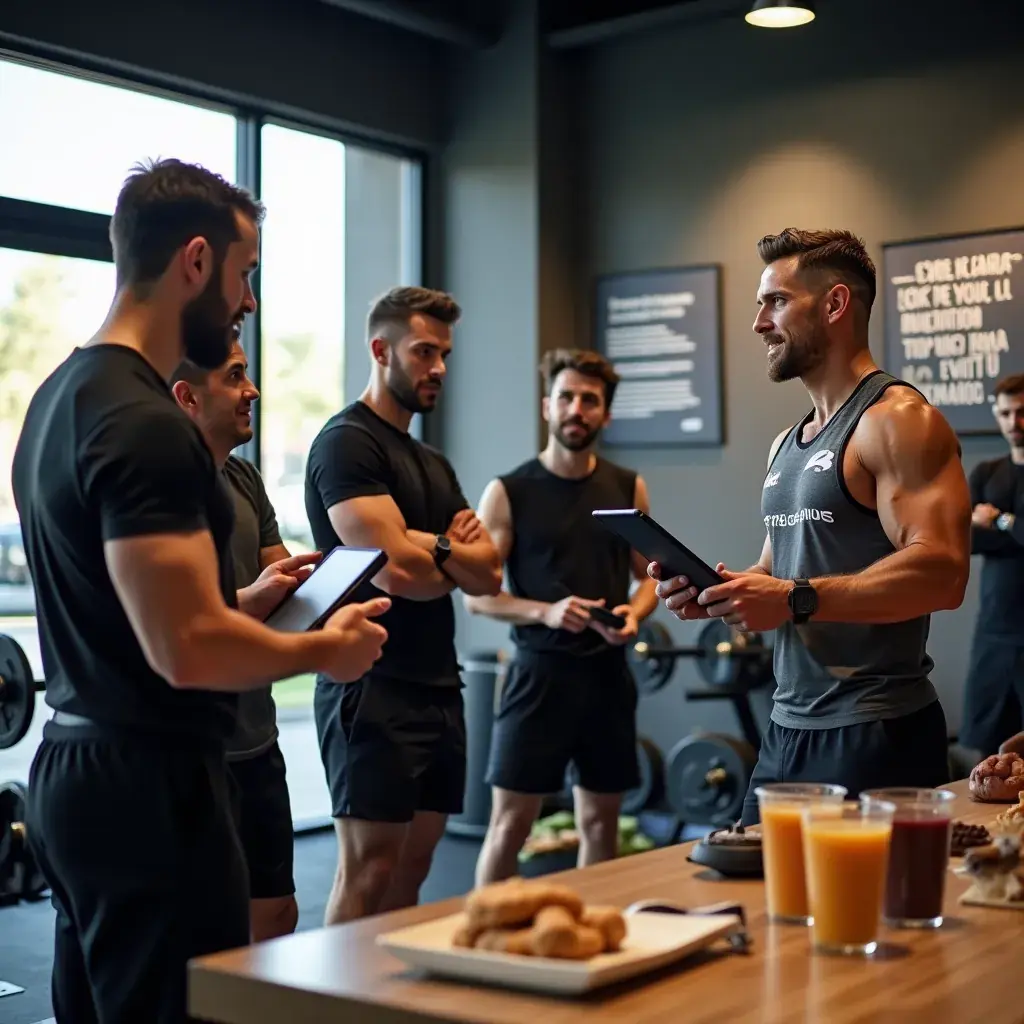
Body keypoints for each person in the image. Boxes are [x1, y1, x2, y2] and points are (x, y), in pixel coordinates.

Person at [12, 158, 390, 1024]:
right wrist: (324, 651)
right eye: (243, 273)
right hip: (151, 788)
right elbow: (186, 652)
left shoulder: (57, 397)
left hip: (72, 772)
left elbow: (135, 617)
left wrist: (245, 608)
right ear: (194, 262)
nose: (247, 301)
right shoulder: (149, 422)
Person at [650, 228, 971, 825]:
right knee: (755, 902)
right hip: (787, 729)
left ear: (835, 304)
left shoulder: (898, 420)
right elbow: (779, 572)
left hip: (877, 728)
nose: (758, 323)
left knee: (865, 919)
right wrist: (721, 592)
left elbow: (943, 572)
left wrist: (794, 598)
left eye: (775, 301)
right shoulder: (786, 444)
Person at [305, 285, 502, 924]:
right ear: (379, 349)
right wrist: (445, 548)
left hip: (438, 685)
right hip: (372, 683)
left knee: (414, 870)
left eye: (443, 354)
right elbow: (394, 572)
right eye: (423, 352)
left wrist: (426, 545)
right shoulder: (346, 444)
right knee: (370, 869)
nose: (438, 367)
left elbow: (490, 573)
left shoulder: (432, 463)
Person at [465, 348, 658, 885]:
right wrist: (546, 612)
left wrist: (634, 612)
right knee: (510, 825)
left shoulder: (627, 487)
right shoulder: (509, 492)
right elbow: (478, 597)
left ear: (605, 414)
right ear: (547, 406)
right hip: (538, 678)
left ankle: (590, 940)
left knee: (600, 822)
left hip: (607, 677)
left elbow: (651, 577)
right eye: (566, 397)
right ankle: (484, 941)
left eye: (589, 400)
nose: (577, 409)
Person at [171, 342, 300, 943]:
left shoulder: (244, 477)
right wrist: (255, 597)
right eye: (236, 377)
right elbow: (173, 620)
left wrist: (317, 585)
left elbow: (280, 582)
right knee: (202, 930)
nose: (252, 391)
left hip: (257, 739)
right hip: (192, 750)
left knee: (276, 915)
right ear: (188, 396)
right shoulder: (162, 488)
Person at [959, 374, 1024, 757]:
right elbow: (963, 540)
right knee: (983, 747)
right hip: (993, 632)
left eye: (1021, 412)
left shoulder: (990, 495)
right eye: (1005, 413)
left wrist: (1000, 521)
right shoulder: (986, 473)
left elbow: (987, 531)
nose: (1013, 423)